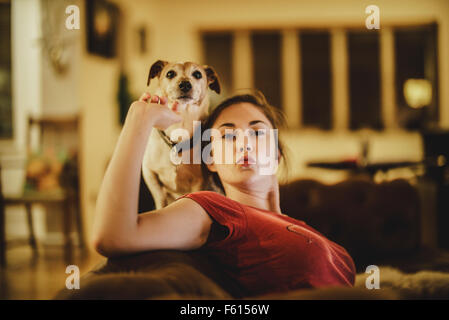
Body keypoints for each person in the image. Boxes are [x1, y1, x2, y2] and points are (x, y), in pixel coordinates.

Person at [92, 91, 356, 297]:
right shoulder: (214, 209)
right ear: (211, 160)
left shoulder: (298, 225)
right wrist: (140, 118)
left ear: (275, 155)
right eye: (228, 136)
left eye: (257, 132)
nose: (244, 142)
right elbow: (114, 234)